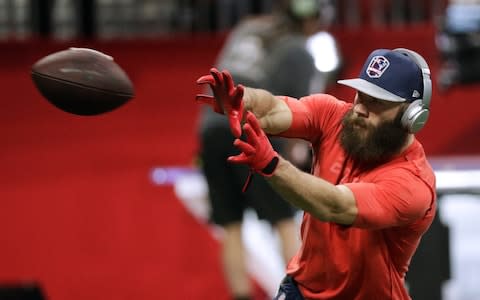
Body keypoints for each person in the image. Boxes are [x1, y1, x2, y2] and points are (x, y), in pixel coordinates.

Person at [196, 48, 436, 299]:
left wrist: (273, 165)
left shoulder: (413, 183)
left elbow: (336, 206)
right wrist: (244, 102)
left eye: (377, 102)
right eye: (361, 96)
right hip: (302, 289)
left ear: (412, 116)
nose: (361, 109)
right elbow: (271, 110)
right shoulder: (334, 116)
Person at [196, 1, 338, 299]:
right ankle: (302, 295)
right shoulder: (299, 51)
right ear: (313, 20)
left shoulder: (247, 27)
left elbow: (221, 80)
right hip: (253, 130)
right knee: (283, 220)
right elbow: (297, 116)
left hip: (212, 128)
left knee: (230, 223)